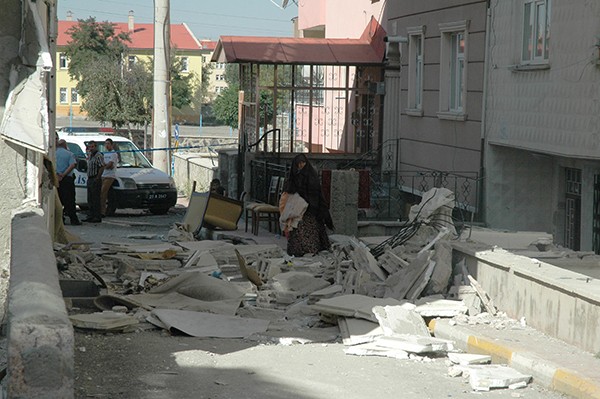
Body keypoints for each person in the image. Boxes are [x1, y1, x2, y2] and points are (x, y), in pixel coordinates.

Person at [282, 154, 333, 257]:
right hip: (298, 210)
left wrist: (308, 202)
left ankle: (310, 249)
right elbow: (289, 189)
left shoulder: (311, 176)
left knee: (310, 229)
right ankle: (298, 250)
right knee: (298, 229)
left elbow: (315, 193)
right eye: (299, 163)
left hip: (311, 209)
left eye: (303, 163)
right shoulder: (294, 175)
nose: (301, 165)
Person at [55, 139, 81, 225]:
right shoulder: (69, 154)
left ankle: (60, 219)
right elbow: (72, 165)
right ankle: (73, 219)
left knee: (59, 199)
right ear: (65, 145)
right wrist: (63, 174)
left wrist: (58, 175)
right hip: (67, 179)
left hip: (56, 178)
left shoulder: (54, 154)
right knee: (70, 200)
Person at [84, 140, 104, 223]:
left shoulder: (98, 155)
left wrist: (98, 177)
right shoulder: (90, 155)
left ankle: (97, 216)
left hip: (95, 177)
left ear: (96, 147)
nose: (91, 148)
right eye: (90, 147)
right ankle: (90, 215)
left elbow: (102, 166)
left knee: (95, 198)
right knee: (90, 198)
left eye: (92, 147)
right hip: (89, 177)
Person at [100, 138, 118, 217]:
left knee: (103, 192)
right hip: (103, 175)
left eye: (108, 144)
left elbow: (110, 165)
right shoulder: (105, 154)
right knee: (102, 193)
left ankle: (102, 211)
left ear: (111, 145)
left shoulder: (113, 154)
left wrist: (105, 166)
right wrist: (105, 166)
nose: (107, 145)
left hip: (110, 176)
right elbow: (103, 164)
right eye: (106, 144)